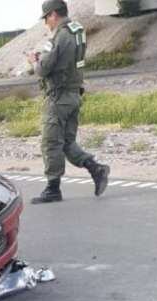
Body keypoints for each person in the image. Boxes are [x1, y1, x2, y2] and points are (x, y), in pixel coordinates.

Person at [27, 0, 110, 204]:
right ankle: (96, 169)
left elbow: (44, 68)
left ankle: (53, 189)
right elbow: (67, 60)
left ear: (54, 14)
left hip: (58, 97)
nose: (46, 23)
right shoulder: (76, 30)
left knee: (51, 142)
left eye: (46, 18)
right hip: (74, 94)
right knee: (66, 142)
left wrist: (34, 61)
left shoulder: (59, 35)